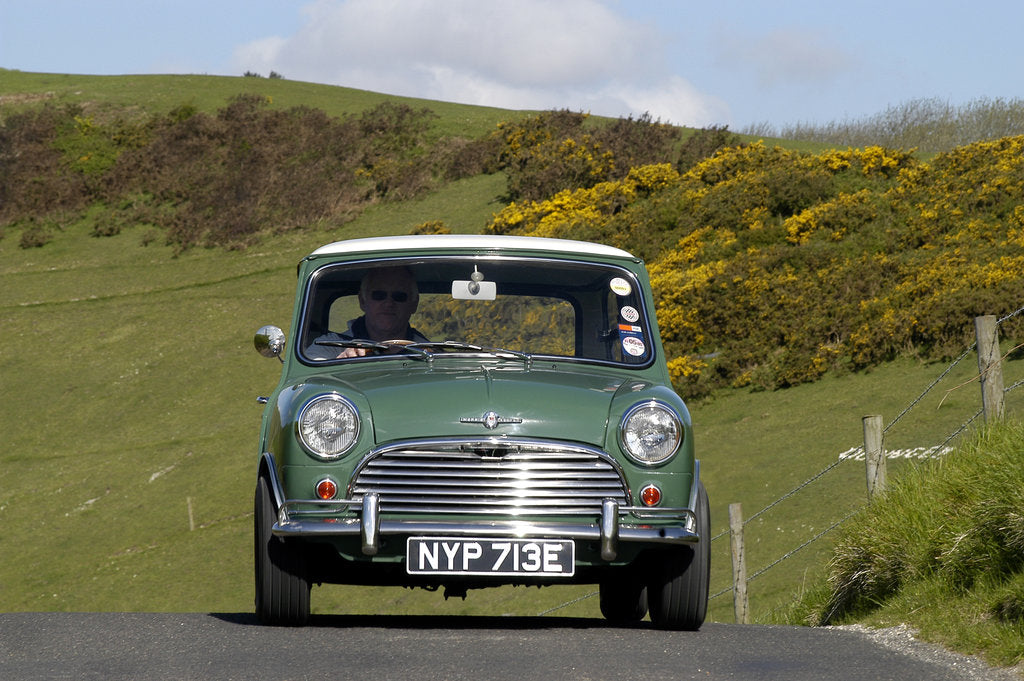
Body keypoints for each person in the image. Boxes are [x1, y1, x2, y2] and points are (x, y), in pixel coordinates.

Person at [308, 266, 428, 359]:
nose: (388, 303)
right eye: (378, 295)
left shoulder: (429, 350)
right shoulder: (330, 346)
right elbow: (309, 374)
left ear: (414, 304)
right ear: (362, 300)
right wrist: (342, 361)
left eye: (399, 296)